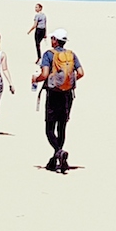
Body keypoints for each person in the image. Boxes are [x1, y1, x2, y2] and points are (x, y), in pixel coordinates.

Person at [31, 30, 84, 171]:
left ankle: (58, 152)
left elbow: (45, 74)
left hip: (53, 94)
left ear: (55, 40)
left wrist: (35, 79)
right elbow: (80, 73)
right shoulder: (71, 55)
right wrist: (69, 82)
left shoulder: (49, 54)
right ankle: (55, 159)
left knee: (49, 129)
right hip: (67, 95)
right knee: (62, 128)